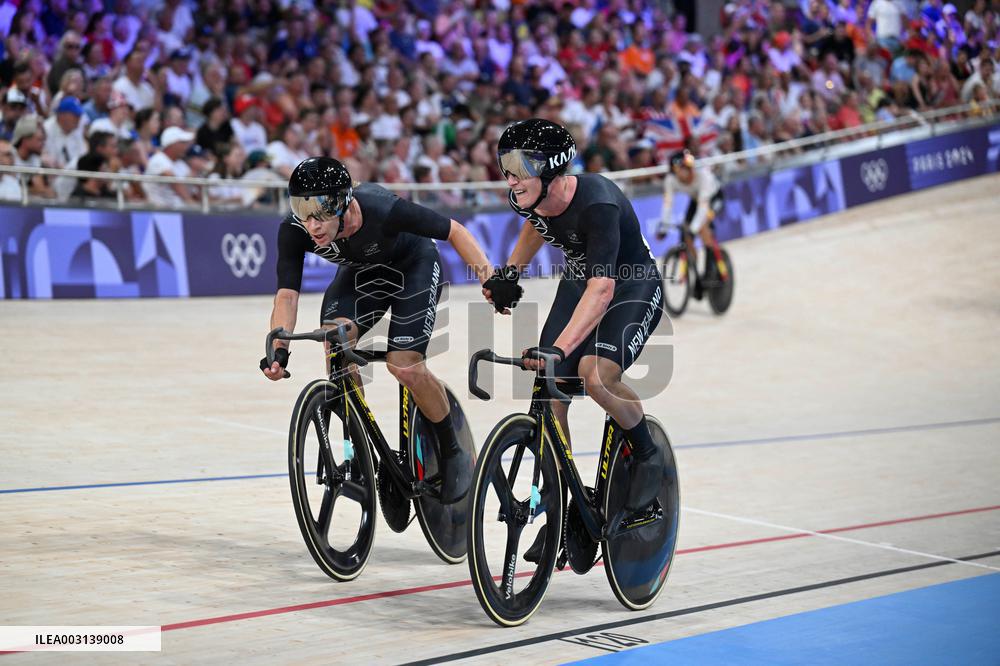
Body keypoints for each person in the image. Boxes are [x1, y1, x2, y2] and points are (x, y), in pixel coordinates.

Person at [262, 157, 495, 504]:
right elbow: (286, 295)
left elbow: (454, 231)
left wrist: (490, 280)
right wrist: (279, 347)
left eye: (320, 211)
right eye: (301, 209)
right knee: (334, 340)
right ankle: (357, 447)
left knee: (404, 365)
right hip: (362, 276)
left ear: (342, 202)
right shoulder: (295, 230)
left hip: (412, 266)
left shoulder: (382, 209)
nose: (312, 224)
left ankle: (452, 451)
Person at [489, 118, 665, 562]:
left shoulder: (597, 205)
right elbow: (537, 223)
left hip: (629, 283)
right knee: (548, 392)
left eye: (518, 166)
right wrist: (511, 271)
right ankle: (562, 503)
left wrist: (562, 348)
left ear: (550, 168)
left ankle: (646, 454)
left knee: (593, 375)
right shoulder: (530, 194)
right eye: (505, 164)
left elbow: (603, 291)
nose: (509, 176)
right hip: (580, 280)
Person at [657, 150, 725, 300]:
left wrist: (694, 229)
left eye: (690, 167)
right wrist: (663, 227)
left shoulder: (704, 177)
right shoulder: (670, 180)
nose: (690, 171)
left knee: (701, 227)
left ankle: (710, 268)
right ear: (675, 170)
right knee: (687, 236)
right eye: (685, 168)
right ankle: (695, 269)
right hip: (697, 200)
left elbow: (702, 210)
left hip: (713, 198)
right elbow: (667, 205)